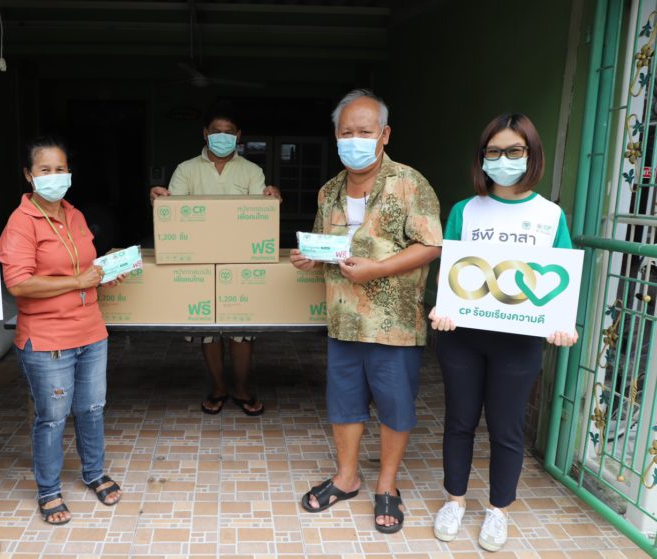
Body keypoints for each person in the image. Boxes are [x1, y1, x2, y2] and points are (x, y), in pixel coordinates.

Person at [290, 89, 442, 533]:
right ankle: (346, 478)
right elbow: (325, 244)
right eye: (346, 132)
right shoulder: (329, 190)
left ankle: (387, 485)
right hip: (343, 320)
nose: (354, 140)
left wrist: (379, 268)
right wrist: (309, 257)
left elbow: (431, 244)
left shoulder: (410, 183)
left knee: (395, 407)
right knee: (344, 404)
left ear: (384, 134)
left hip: (394, 323)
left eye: (364, 131)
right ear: (336, 136)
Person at [428, 113, 578, 552]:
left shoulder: (549, 215)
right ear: (481, 158)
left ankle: (498, 511)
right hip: (463, 336)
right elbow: (450, 270)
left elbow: (561, 280)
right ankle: (454, 500)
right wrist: (444, 307)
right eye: (493, 152)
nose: (503, 160)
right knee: (459, 421)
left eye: (514, 151)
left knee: (507, 428)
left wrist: (562, 323)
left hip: (519, 341)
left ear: (532, 154)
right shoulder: (465, 210)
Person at [0, 137, 124, 525]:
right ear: (29, 175)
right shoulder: (21, 223)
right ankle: (49, 490)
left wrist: (104, 274)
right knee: (52, 418)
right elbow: (18, 283)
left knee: (92, 408)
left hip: (91, 331)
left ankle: (94, 473)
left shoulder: (76, 215)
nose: (54, 176)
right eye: (45, 170)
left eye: (60, 169)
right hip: (47, 338)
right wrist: (78, 281)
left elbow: (84, 267)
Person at [150, 102, 281, 416]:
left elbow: (260, 214)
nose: (222, 137)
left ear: (238, 135)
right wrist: (159, 199)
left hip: (242, 258)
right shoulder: (186, 169)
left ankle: (242, 389)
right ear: (205, 134)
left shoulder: (251, 171)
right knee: (208, 328)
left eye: (228, 132)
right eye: (216, 131)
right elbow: (173, 211)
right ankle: (219, 388)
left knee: (241, 328)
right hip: (199, 257)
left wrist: (271, 199)